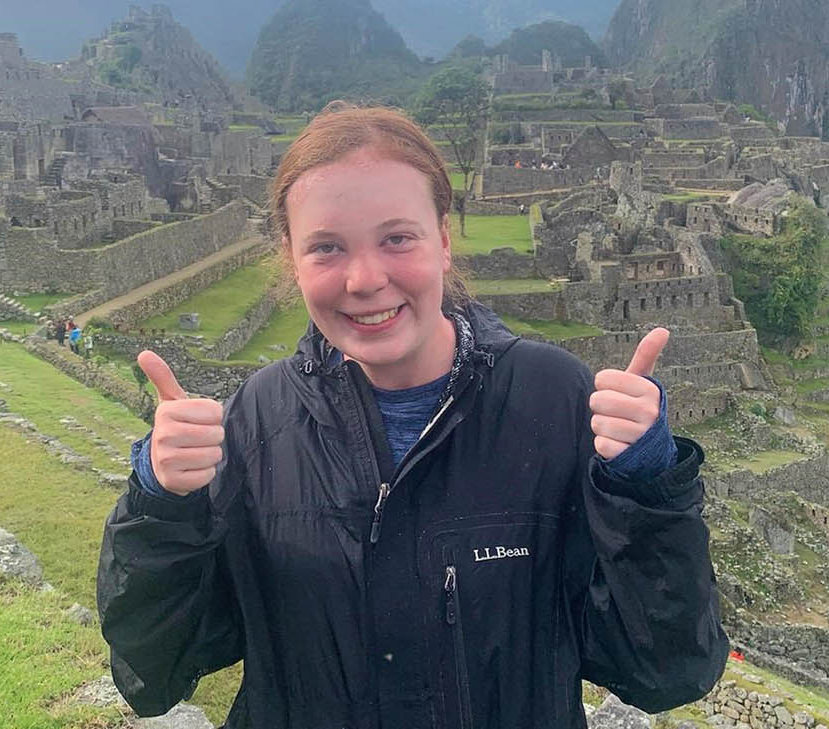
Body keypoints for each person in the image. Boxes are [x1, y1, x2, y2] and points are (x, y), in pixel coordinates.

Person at [97, 103, 728, 729]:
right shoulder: (256, 425)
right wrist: (162, 506)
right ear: (291, 259)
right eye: (326, 248)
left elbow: (666, 669)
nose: (366, 279)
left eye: (397, 238)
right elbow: (154, 668)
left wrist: (647, 490)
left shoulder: (554, 401)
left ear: (444, 241)